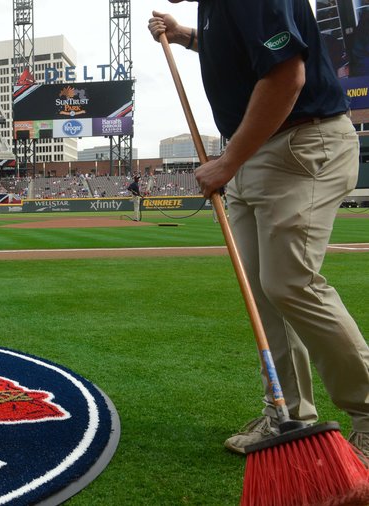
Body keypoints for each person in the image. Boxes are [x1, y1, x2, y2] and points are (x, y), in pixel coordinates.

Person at [149, 1, 369, 460]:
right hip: (256, 153)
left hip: (300, 143)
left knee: (291, 284)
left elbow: (287, 75)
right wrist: (185, 34)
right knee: (263, 294)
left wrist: (227, 162)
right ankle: (287, 413)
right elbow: (240, 49)